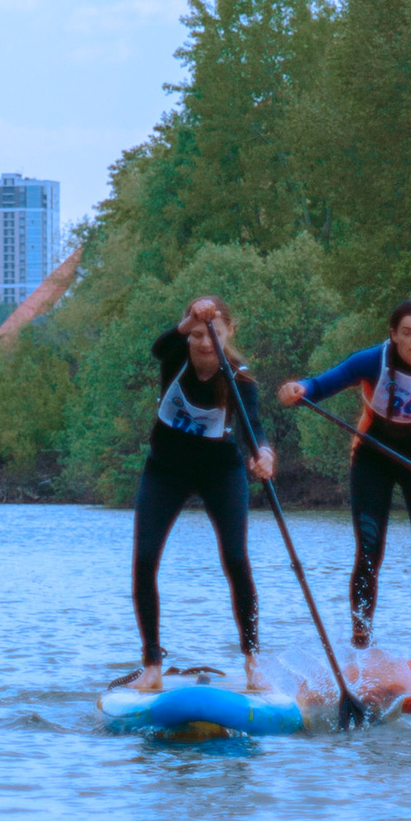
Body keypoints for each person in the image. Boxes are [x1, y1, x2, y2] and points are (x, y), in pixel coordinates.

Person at [279, 299, 411, 670]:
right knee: (369, 553)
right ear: (394, 336)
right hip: (371, 458)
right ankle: (361, 649)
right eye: (408, 332)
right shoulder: (371, 361)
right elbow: (319, 385)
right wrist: (297, 388)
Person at [127, 295, 276, 691]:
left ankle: (253, 661)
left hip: (219, 471)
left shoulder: (239, 378)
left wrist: (264, 455)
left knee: (235, 557)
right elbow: (159, 346)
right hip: (165, 470)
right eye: (196, 334)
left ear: (228, 334)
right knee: (144, 559)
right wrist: (189, 319)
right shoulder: (176, 354)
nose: (204, 342)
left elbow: (254, 429)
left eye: (213, 334)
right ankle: (152, 666)